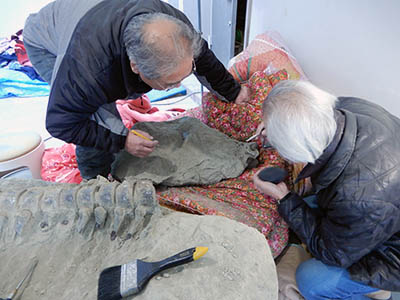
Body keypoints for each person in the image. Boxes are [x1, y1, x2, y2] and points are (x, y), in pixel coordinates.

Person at [23, 0, 250, 180]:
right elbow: (61, 121)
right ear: (135, 66)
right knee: (99, 115)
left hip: (99, 16)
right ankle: (96, 182)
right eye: (169, 84)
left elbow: (204, 60)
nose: (179, 86)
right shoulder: (89, 69)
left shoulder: (177, 31)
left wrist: (233, 92)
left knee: (109, 107)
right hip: (47, 41)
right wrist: (121, 141)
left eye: (185, 74)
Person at [253, 80, 400, 300]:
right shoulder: (349, 107)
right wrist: (272, 122)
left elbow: (332, 253)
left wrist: (284, 198)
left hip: (393, 256)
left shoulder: (356, 198)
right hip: (384, 211)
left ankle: (381, 291)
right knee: (311, 204)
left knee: (311, 281)